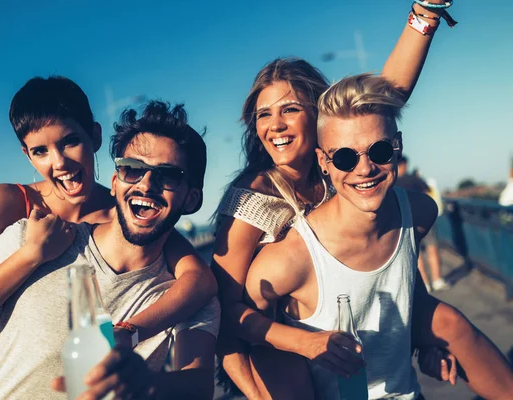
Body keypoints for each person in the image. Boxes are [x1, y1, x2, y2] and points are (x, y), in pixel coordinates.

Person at [0, 78, 217, 400]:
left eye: (69, 142)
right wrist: (31, 254)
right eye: (40, 151)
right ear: (28, 156)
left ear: (95, 136)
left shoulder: (127, 215)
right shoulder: (8, 204)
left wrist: (125, 332)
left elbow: (199, 281)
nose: (59, 163)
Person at [211, 2, 458, 398]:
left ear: (319, 114)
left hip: (343, 351)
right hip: (278, 361)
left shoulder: (339, 177)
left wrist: (425, 14)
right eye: (263, 115)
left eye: (290, 109)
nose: (274, 125)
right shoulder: (252, 200)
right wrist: (276, 373)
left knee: (453, 327)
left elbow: (380, 98)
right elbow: (222, 313)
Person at [243, 74, 513, 399]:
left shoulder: (417, 213)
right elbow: (242, 331)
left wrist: (422, 342)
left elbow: (404, 285)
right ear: (323, 162)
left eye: (380, 151)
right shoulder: (290, 260)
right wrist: (302, 345)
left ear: (398, 145)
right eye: (344, 157)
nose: (365, 169)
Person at [396, 156, 449, 292]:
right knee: (432, 248)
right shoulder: (415, 179)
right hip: (424, 219)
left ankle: (425, 283)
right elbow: (428, 194)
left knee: (416, 254)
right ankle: (437, 279)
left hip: (406, 222)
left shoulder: (394, 182)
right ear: (405, 164)